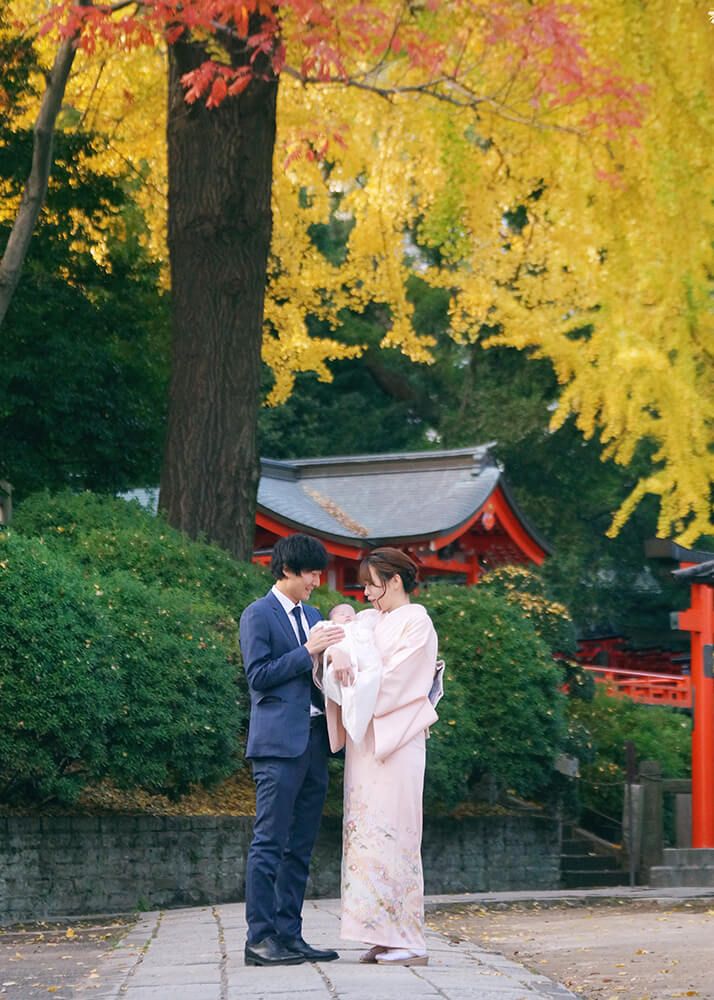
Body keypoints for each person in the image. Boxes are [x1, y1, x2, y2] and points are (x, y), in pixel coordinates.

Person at [324, 548, 440, 967]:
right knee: (366, 835)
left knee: (397, 834)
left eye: (373, 584)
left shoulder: (417, 622)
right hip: (365, 741)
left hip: (397, 739)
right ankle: (380, 933)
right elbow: (342, 646)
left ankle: (409, 938)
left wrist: (356, 685)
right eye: (366, 585)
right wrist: (336, 656)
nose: (367, 593)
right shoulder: (370, 620)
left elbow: (400, 680)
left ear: (394, 581)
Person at [239, 533, 345, 967]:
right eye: (311, 572)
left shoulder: (315, 614)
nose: (317, 581)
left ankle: (289, 934)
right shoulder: (258, 614)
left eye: (319, 572)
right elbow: (258, 676)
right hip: (278, 747)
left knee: (300, 845)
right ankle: (259, 939)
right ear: (286, 570)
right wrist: (307, 652)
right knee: (269, 842)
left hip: (315, 742)